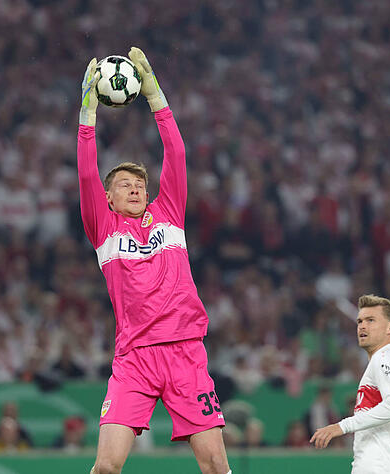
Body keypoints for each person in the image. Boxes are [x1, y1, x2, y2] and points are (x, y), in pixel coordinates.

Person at [77, 47, 230, 474]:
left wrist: (154, 95)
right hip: (135, 360)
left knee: (216, 465)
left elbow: (176, 153)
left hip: (186, 352)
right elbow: (86, 173)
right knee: (106, 466)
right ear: (108, 198)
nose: (134, 189)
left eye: (139, 184)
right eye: (123, 184)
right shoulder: (103, 228)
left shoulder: (168, 214)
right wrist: (88, 113)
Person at [310, 295, 390, 473]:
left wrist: (341, 426)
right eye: (360, 321)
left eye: (371, 320)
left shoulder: (384, 359)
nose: (362, 326)